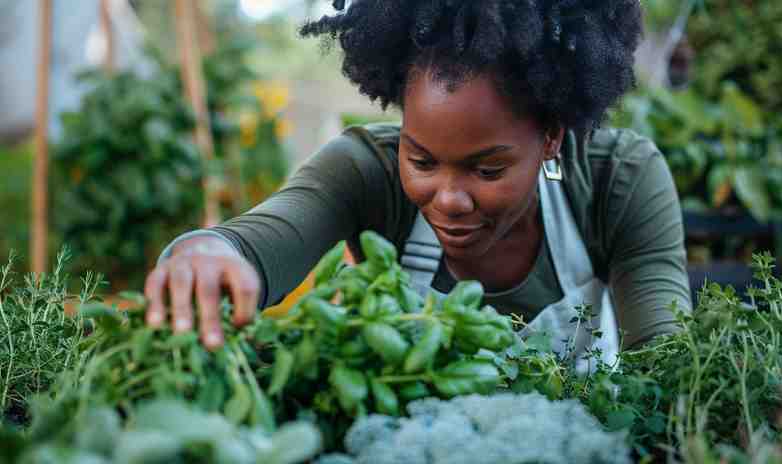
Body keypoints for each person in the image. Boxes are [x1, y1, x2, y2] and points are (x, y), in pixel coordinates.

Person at [144, 0, 691, 366]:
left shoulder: (617, 179)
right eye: (422, 160)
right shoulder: (366, 170)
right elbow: (255, 242)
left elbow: (666, 359)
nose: (448, 200)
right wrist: (205, 250)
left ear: (550, 136)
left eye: (487, 169)